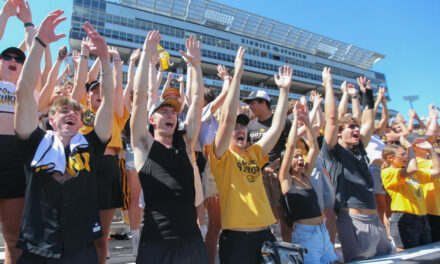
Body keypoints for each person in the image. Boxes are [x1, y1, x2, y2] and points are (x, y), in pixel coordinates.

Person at [14, 11, 114, 263]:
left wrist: (104, 59)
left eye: (75, 112)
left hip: (81, 248)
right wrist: (38, 44)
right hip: (37, 247)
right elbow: (24, 92)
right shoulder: (35, 141)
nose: (70, 114)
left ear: (81, 122)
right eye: (63, 111)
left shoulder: (91, 143)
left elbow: (109, 102)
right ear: (50, 119)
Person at [208, 43, 291, 262]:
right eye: (235, 126)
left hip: (265, 236)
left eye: (243, 125)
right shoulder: (220, 156)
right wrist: (237, 75)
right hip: (236, 239)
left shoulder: (254, 153)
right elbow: (226, 119)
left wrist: (283, 91)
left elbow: (276, 127)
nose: (240, 129)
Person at [130, 32, 207, 263]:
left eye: (173, 111)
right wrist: (145, 56)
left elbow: (196, 99)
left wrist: (196, 66)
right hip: (158, 244)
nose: (170, 114)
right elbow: (139, 95)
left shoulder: (185, 142)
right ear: (151, 119)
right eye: (163, 111)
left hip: (192, 242)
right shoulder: (143, 145)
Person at [320, 67, 392, 262]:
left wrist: (365, 93)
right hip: (354, 221)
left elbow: (368, 122)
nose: (356, 129)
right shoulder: (333, 152)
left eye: (356, 126)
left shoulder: (359, 148)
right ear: (339, 133)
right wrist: (328, 84)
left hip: (375, 219)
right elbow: (332, 119)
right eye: (351, 127)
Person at [71, 35, 129, 264]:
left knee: (102, 236)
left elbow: (115, 90)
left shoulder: (113, 114)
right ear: (87, 96)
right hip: (82, 168)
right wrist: (85, 55)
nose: (98, 94)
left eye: (101, 91)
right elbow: (79, 84)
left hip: (108, 169)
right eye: (93, 91)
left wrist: (116, 63)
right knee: (78, 230)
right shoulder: (79, 112)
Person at [279, 102, 337, 264]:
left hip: (322, 233)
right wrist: (296, 120)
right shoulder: (286, 180)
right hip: (306, 236)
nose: (300, 159)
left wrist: (307, 123)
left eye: (300, 156)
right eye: (295, 157)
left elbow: (314, 149)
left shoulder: (306, 175)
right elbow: (290, 146)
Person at [242, 89, 292, 241]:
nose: (250, 106)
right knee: (267, 213)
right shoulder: (250, 125)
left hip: (280, 173)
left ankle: (287, 248)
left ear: (264, 103)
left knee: (284, 214)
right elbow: (248, 149)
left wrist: (276, 164)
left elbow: (290, 147)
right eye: (249, 104)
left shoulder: (282, 122)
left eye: (253, 103)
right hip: (259, 175)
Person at [381, 136, 436, 250]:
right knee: (410, 258)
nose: (406, 156)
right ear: (390, 158)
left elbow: (437, 171)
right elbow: (412, 169)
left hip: (422, 218)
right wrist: (410, 147)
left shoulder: (414, 173)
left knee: (427, 256)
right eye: (402, 154)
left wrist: (431, 150)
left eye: (406, 154)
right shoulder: (388, 172)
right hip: (405, 218)